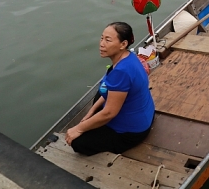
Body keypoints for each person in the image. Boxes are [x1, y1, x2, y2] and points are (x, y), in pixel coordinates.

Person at [66, 22, 155, 156]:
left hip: (132, 131)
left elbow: (109, 113)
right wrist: (90, 112)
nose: (101, 44)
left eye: (108, 40)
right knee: (100, 93)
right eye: (102, 38)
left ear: (123, 44)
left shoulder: (121, 72)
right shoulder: (129, 57)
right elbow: (109, 93)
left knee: (78, 143)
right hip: (146, 113)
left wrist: (78, 129)